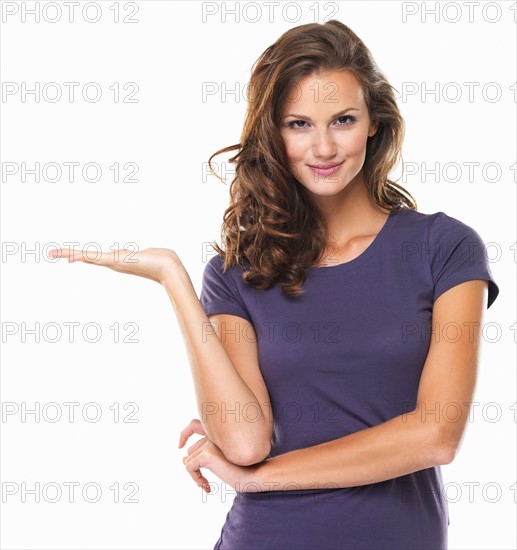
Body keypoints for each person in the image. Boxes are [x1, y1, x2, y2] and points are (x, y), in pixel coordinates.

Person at [48, 20, 500, 550]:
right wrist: (175, 279)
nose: (324, 147)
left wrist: (260, 479)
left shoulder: (442, 248)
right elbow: (243, 440)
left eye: (344, 120)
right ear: (273, 132)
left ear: (374, 123)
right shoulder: (237, 273)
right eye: (299, 124)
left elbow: (436, 436)